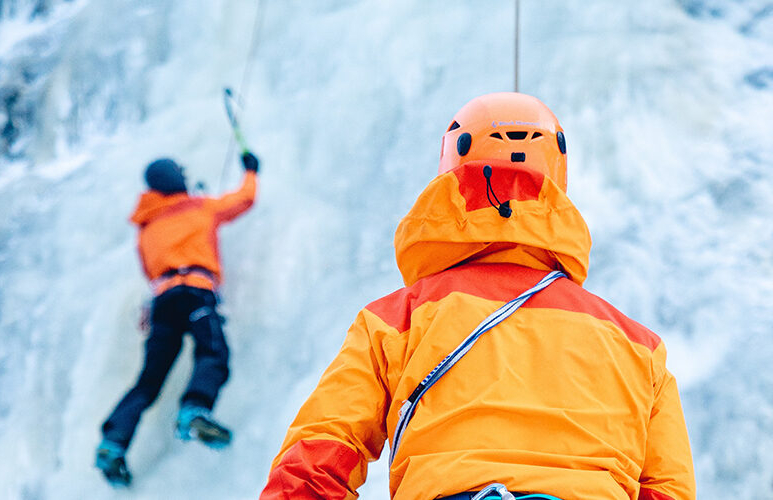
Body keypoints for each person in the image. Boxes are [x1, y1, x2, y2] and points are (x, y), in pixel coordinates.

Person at [259, 93, 695, 500]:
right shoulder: (640, 346)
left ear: (452, 167)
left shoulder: (395, 319)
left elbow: (321, 450)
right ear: (559, 179)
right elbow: (668, 488)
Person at [95, 151, 259, 486]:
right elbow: (244, 199)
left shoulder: (146, 227)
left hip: (162, 301)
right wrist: (251, 171)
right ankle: (194, 411)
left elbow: (149, 271)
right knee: (213, 353)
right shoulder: (199, 206)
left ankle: (112, 443)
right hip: (196, 291)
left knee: (149, 381)